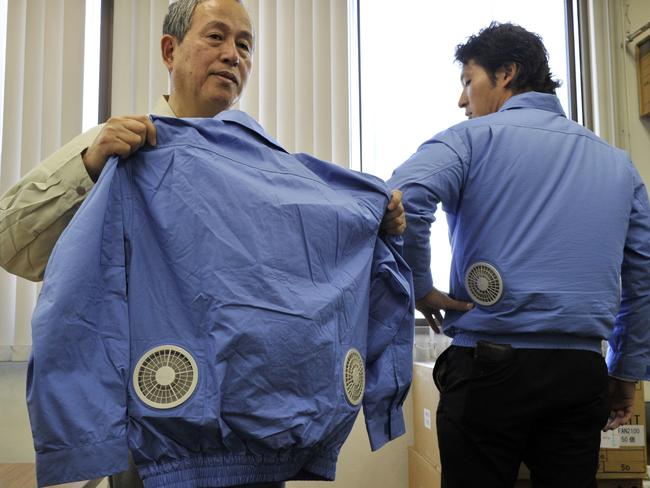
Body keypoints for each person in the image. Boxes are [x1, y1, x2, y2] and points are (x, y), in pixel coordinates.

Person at [0, 1, 406, 487]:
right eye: (215, 37)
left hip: (260, 438)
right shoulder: (122, 147)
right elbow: (12, 241)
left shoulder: (277, 175)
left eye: (244, 44)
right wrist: (88, 165)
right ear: (170, 51)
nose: (232, 55)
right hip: (156, 440)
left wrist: (372, 216)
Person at [388, 22, 650, 488]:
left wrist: (421, 288)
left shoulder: (469, 140)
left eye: (468, 82)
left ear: (506, 73)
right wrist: (626, 373)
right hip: (580, 373)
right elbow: (642, 277)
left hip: (490, 371)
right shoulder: (618, 164)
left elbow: (402, 197)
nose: (462, 100)